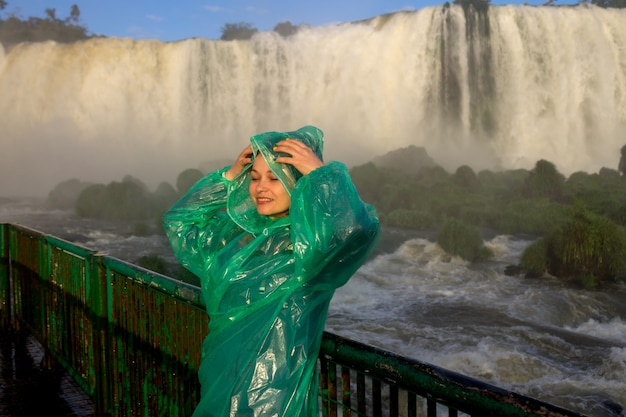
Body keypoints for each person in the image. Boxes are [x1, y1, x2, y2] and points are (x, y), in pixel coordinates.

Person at [163, 125, 380, 417]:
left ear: (298, 183)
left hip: (274, 401)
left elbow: (354, 230)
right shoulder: (236, 239)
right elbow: (180, 223)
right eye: (253, 178)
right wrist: (228, 178)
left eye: (274, 178)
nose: (260, 188)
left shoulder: (307, 252)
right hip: (218, 385)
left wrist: (320, 175)